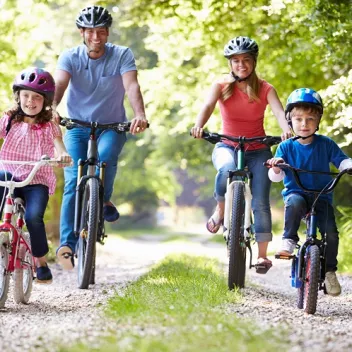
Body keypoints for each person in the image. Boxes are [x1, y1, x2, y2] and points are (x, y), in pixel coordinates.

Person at [53, 5, 148, 269]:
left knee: (106, 158)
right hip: (77, 126)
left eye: (102, 32)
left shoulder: (122, 55)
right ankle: (66, 245)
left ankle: (102, 197)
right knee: (73, 179)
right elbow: (59, 84)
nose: (96, 37)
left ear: (108, 33)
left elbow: (131, 85)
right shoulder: (70, 57)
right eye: (91, 32)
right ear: (81, 32)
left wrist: (139, 114)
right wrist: (52, 108)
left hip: (112, 125)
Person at [191, 36, 291, 273]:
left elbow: (279, 111)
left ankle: (262, 256)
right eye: (236, 61)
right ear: (230, 64)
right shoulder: (222, 86)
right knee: (225, 168)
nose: (241, 65)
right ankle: (221, 209)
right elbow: (207, 106)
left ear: (254, 62)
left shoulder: (265, 88)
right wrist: (198, 125)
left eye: (246, 60)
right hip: (227, 145)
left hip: (258, 150)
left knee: (260, 201)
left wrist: (286, 128)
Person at [266, 88, 352, 296]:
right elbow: (275, 176)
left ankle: (330, 271)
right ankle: (289, 239)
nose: (304, 124)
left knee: (331, 234)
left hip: (322, 196)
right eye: (298, 119)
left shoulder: (326, 144)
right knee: (294, 203)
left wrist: (348, 165)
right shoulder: (286, 147)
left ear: (318, 120)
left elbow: (341, 161)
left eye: (310, 119)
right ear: (290, 120)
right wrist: (276, 166)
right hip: (297, 193)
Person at [0, 67, 72, 283]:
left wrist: (63, 155)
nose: (30, 101)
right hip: (9, 172)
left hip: (36, 178)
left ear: (45, 100)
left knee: (33, 217)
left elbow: (59, 146)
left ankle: (40, 261)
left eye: (36, 97)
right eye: (25, 96)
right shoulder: (10, 118)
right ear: (18, 96)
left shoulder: (49, 122)